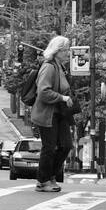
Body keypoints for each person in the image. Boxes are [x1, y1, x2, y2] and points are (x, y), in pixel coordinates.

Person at [31, 35, 75, 193]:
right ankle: (43, 180)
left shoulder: (60, 67)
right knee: (49, 147)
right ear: (57, 51)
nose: (68, 53)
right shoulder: (49, 67)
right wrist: (62, 97)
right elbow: (43, 92)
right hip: (47, 114)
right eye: (65, 50)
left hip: (60, 114)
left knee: (66, 145)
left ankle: (50, 176)